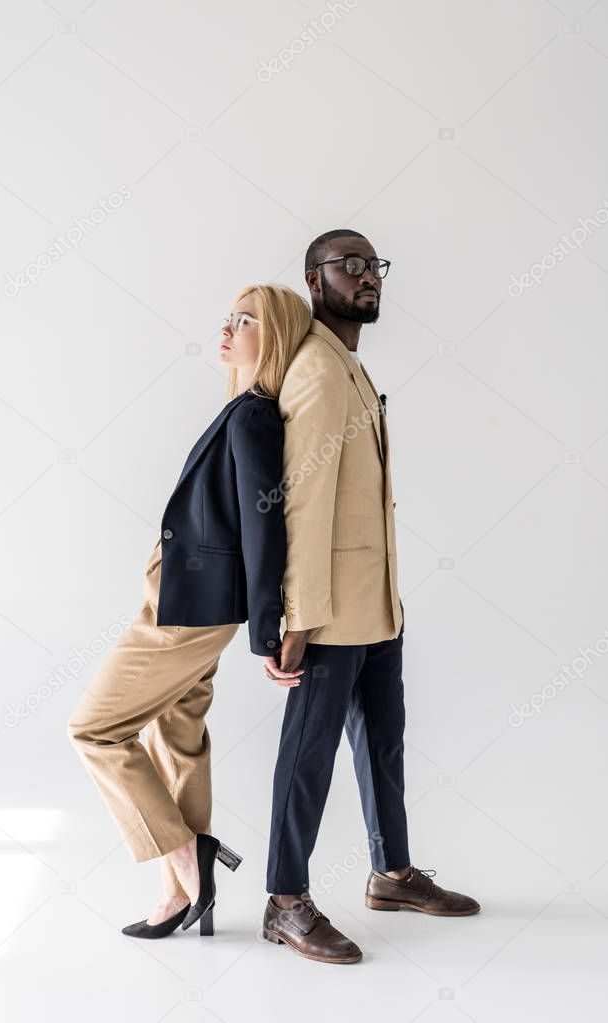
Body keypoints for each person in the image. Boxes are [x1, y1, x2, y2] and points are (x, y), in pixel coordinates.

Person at [261, 230, 480, 965]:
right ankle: (285, 899)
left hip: (374, 604)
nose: (366, 277)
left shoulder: (348, 362)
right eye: (347, 266)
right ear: (312, 281)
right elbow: (304, 501)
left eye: (373, 265)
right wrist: (296, 615)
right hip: (328, 611)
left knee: (382, 741)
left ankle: (390, 873)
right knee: (308, 755)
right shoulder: (319, 370)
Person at [67, 284, 310, 938]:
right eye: (227, 318)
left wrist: (268, 630)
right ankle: (179, 895)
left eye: (245, 321)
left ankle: (185, 856)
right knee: (176, 734)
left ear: (277, 336)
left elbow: (266, 527)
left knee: (94, 729)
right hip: (183, 595)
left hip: (191, 608)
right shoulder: (237, 408)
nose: (226, 330)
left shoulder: (254, 414)